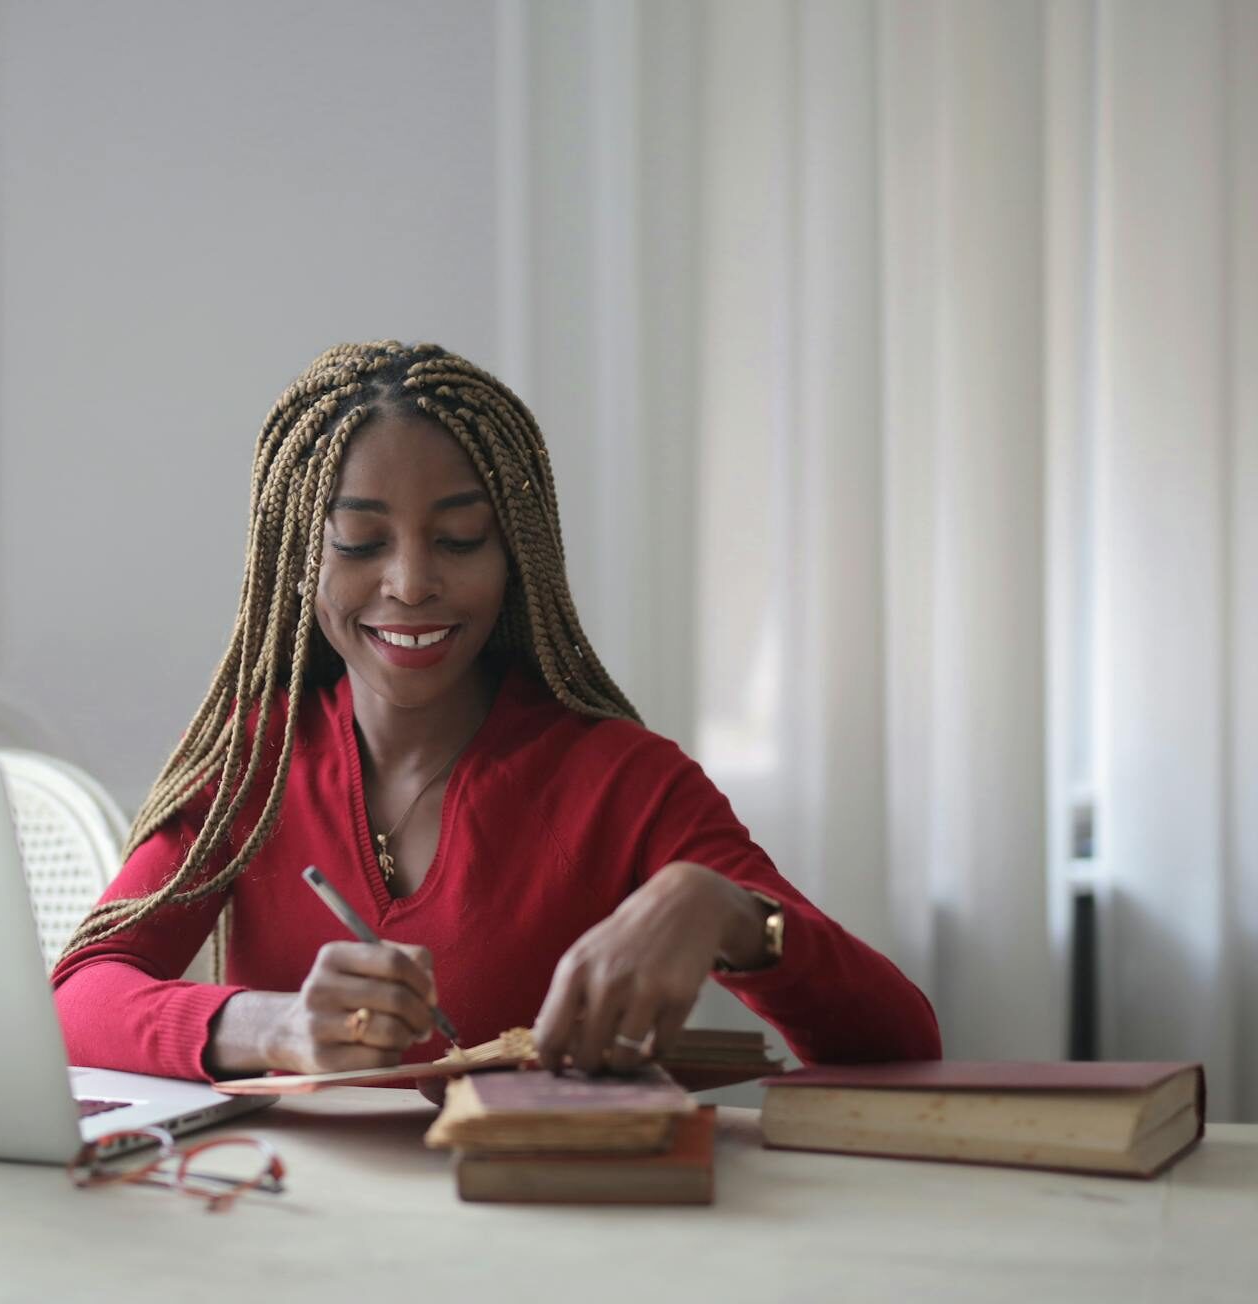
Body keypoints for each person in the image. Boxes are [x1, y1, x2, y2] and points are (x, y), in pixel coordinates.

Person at [52, 340, 941, 1082]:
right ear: (296, 558)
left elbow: (902, 1044)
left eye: (459, 540)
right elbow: (77, 997)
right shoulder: (253, 759)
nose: (410, 582)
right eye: (360, 542)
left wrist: (727, 911)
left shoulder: (619, 779)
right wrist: (272, 1028)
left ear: (517, 555)